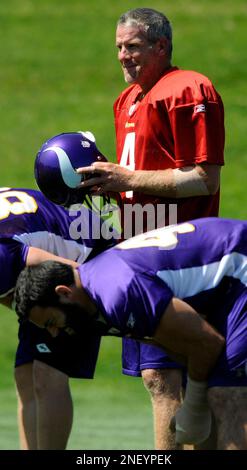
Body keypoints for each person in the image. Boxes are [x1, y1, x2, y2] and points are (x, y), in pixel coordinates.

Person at [76, 8, 225, 449]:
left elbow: (204, 177)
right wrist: (108, 186)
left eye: (133, 46)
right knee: (158, 377)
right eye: (119, 47)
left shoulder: (188, 89)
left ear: (161, 46)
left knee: (170, 374)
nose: (123, 55)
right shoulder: (127, 101)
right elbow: (138, 177)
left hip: (182, 251)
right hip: (139, 249)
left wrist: (127, 179)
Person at [14, 217, 247, 450]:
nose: (55, 334)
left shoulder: (118, 293)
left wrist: (194, 402)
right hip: (222, 285)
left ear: (64, 292)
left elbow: (207, 343)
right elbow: (177, 346)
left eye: (52, 322)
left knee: (227, 395)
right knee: (211, 391)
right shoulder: (94, 300)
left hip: (238, 260)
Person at [0, 186, 115, 449]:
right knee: (26, 374)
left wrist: (98, 288)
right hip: (44, 264)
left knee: (46, 371)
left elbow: (61, 270)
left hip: (89, 255)